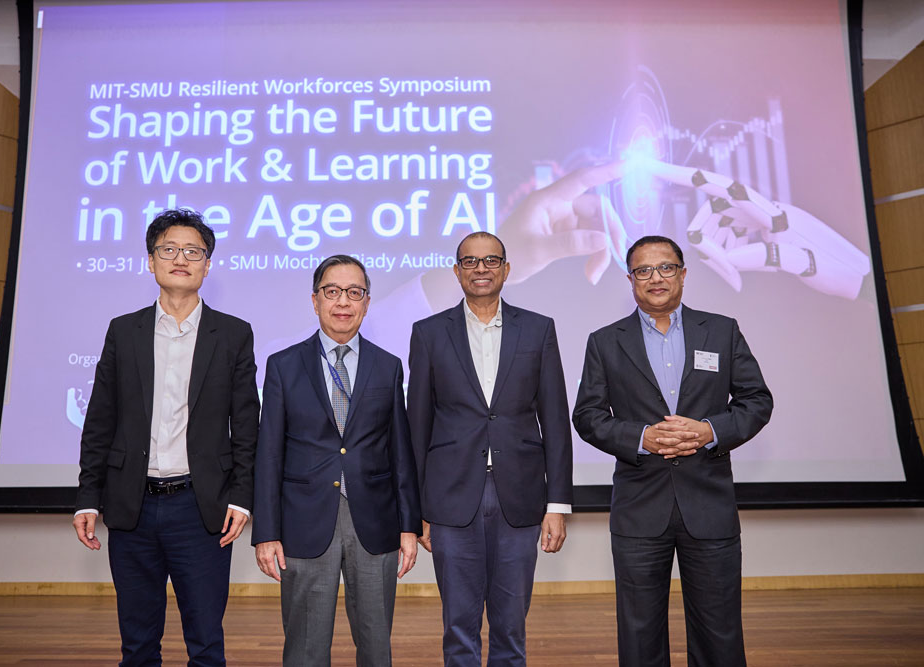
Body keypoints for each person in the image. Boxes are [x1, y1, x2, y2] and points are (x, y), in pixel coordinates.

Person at [571, 235, 773, 667]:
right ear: (630, 280)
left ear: (683, 274)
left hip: (709, 503)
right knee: (640, 634)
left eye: (665, 268)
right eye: (643, 270)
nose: (655, 278)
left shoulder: (721, 330)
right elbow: (587, 415)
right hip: (639, 507)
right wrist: (639, 438)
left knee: (719, 631)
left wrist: (708, 431)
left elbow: (757, 401)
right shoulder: (605, 341)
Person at [73, 208, 260, 666]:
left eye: (193, 251)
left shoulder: (233, 334)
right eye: (169, 249)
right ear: (150, 260)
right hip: (131, 506)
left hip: (200, 509)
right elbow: (100, 420)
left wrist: (241, 496)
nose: (181, 258)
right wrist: (87, 496)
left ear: (207, 264)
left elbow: (247, 423)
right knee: (137, 645)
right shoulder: (124, 331)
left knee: (205, 643)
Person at [408, 231, 573, 666]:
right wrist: (416, 508)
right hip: (449, 498)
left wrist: (557, 503)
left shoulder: (538, 329)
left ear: (506, 269)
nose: (481, 269)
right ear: (457, 270)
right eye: (470, 261)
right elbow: (417, 425)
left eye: (491, 261)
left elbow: (555, 421)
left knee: (510, 627)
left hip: (519, 496)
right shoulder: (428, 333)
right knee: (459, 626)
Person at [252, 255, 421, 666]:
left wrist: (409, 526)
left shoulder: (388, 365)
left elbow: (401, 452)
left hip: (375, 523)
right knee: (305, 649)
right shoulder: (283, 365)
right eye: (332, 291)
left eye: (354, 292)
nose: (342, 301)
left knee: (377, 646)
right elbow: (269, 453)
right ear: (315, 301)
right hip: (304, 523)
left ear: (366, 302)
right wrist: (266, 533)